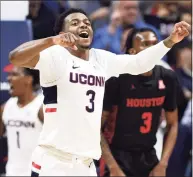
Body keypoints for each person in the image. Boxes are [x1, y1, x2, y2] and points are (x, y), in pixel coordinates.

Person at [8, 8, 189, 176]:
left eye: (86, 22)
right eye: (75, 23)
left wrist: (170, 40)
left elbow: (139, 63)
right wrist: (51, 41)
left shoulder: (101, 59)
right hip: (54, 161)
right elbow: (16, 57)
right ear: (62, 34)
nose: (83, 25)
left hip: (86, 165)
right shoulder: (55, 55)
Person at [101, 28, 179, 177]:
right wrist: (113, 167)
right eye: (145, 44)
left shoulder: (167, 77)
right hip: (116, 155)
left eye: (155, 44)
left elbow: (173, 123)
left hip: (148, 156)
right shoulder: (116, 79)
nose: (152, 49)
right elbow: (97, 128)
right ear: (132, 52)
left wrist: (163, 163)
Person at [0, 64, 43, 176]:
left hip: (38, 173)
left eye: (14, 74)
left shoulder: (41, 107)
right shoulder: (6, 107)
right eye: (9, 75)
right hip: (12, 172)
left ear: (28, 79)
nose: (9, 78)